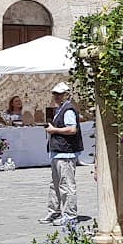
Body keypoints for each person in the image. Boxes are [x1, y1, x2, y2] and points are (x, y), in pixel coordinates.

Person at [44, 82, 83, 225]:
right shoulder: (61, 109)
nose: (56, 96)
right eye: (55, 94)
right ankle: (55, 211)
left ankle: (70, 215)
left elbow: (72, 129)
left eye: (59, 94)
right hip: (58, 152)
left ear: (66, 95)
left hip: (65, 153)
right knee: (55, 184)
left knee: (66, 185)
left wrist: (54, 130)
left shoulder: (68, 110)